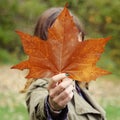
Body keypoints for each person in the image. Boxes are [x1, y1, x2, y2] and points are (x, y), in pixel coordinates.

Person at [25, 7, 106, 120]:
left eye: (78, 37)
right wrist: (53, 107)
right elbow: (40, 110)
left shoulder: (79, 86)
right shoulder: (43, 85)